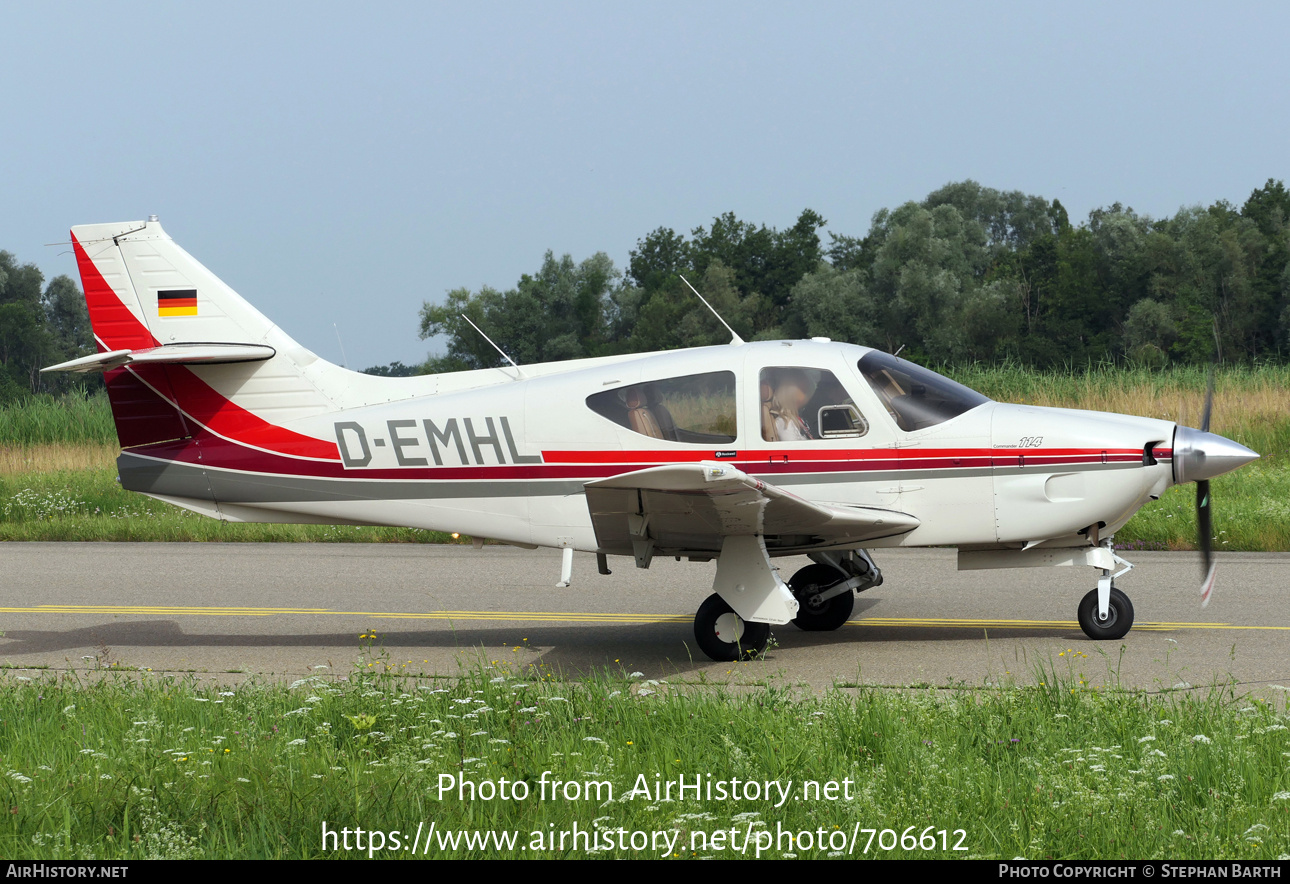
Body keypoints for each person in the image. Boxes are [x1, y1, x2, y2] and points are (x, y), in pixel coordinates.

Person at [765, 369, 816, 441]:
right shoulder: (785, 423)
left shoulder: (795, 419)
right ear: (791, 394)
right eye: (804, 391)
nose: (806, 396)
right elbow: (794, 450)